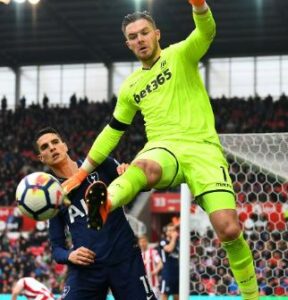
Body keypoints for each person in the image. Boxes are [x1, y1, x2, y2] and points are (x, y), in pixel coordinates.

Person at [62, 0, 259, 299]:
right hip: (163, 146)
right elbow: (112, 132)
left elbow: (206, 32)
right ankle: (103, 204)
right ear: (127, 44)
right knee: (144, 168)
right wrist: (81, 175)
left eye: (144, 33)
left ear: (157, 34)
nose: (139, 39)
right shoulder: (130, 87)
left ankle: (252, 297)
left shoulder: (180, 55)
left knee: (229, 229)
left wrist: (199, 4)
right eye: (132, 36)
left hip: (203, 149)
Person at [34, 127, 156, 300]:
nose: (52, 148)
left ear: (65, 146)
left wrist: (129, 173)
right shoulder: (53, 195)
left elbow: (144, 186)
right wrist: (70, 255)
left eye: (55, 142)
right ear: (41, 158)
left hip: (124, 258)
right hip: (87, 268)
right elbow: (57, 249)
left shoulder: (100, 164)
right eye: (45, 147)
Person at [138, 234, 163, 299]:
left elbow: (160, 263)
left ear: (147, 242)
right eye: (141, 242)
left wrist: (155, 271)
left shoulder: (153, 252)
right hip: (142, 285)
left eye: (144, 241)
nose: (142, 243)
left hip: (153, 284)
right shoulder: (137, 255)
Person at [159, 223, 179, 300]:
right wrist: (174, 238)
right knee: (165, 295)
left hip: (177, 274)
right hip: (167, 274)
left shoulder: (179, 243)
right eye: (170, 230)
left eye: (173, 230)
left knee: (177, 296)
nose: (172, 232)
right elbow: (169, 249)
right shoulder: (163, 241)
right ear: (166, 232)